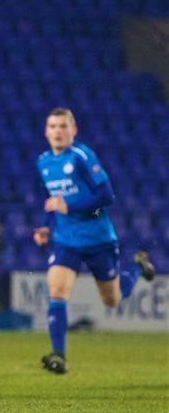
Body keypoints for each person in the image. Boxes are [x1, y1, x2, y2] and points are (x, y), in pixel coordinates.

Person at [33, 108, 155, 375]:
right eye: (52, 126)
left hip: (99, 239)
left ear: (74, 131)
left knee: (112, 299)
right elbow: (52, 200)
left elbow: (106, 195)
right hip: (66, 241)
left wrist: (70, 205)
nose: (58, 131)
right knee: (57, 291)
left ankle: (138, 268)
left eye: (63, 126)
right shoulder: (43, 162)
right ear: (46, 131)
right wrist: (46, 226)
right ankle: (59, 356)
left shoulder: (82, 156)